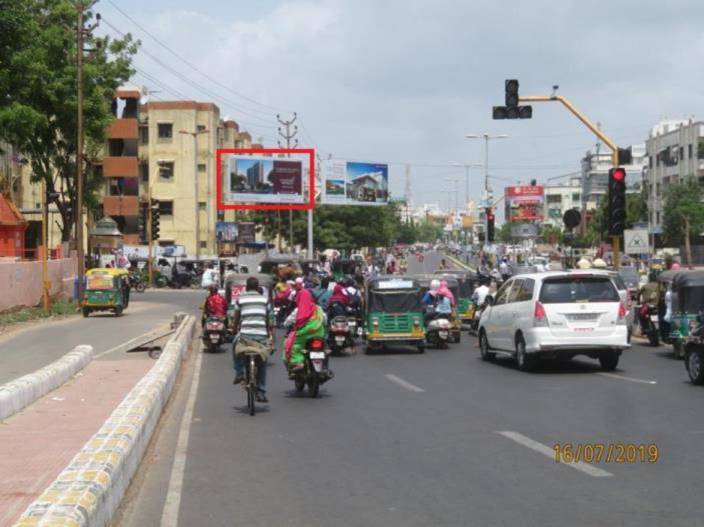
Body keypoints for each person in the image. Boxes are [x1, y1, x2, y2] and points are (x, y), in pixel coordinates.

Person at [232, 277, 271, 403]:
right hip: (261, 337)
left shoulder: (241, 299)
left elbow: (236, 318)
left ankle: (239, 373)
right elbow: (267, 319)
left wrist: (233, 330)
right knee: (263, 363)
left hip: (245, 336)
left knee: (234, 346)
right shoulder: (265, 300)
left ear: (247, 288)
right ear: (257, 287)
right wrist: (266, 332)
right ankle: (261, 392)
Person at [284, 280, 326, 372]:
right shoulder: (318, 308)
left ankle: (298, 362)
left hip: (304, 334)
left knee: (294, 346)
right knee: (325, 349)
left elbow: (287, 322)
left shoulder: (298, 310)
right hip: (319, 333)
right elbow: (325, 320)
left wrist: (286, 324)